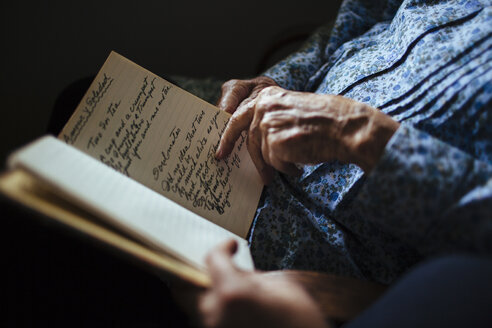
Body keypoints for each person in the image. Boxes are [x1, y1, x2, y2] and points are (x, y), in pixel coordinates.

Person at [190, 0, 492, 327]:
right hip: (241, 134)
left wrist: (361, 132)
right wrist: (272, 82)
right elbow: (361, 16)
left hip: (289, 265)